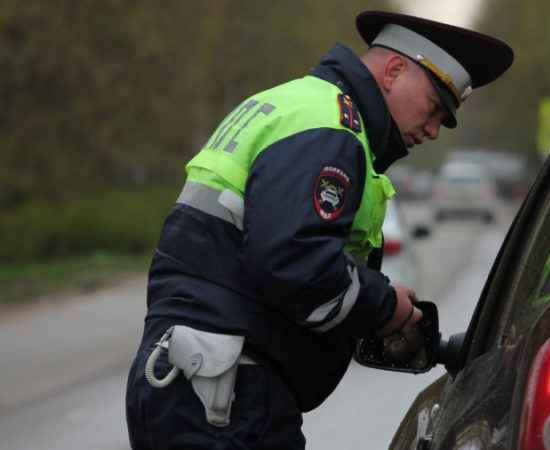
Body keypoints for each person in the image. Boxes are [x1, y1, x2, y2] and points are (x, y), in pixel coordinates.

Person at [125, 9, 513, 449]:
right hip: (228, 397)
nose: (433, 131)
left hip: (185, 378)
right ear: (395, 70)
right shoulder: (331, 128)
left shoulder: (289, 103)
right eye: (434, 108)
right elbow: (294, 261)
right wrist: (388, 310)